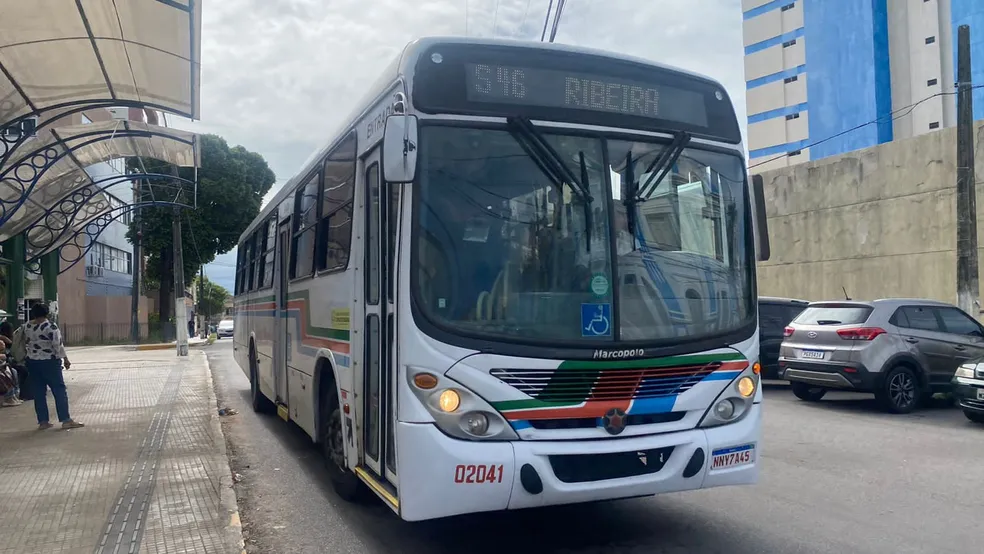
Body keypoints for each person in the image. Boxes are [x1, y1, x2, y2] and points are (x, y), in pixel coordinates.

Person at [23, 304, 83, 430]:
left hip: (32, 362)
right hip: (49, 362)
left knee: (39, 392)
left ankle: (43, 421)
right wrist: (65, 359)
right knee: (59, 390)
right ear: (47, 313)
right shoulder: (50, 326)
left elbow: (25, 342)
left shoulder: (27, 326)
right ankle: (65, 420)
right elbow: (58, 345)